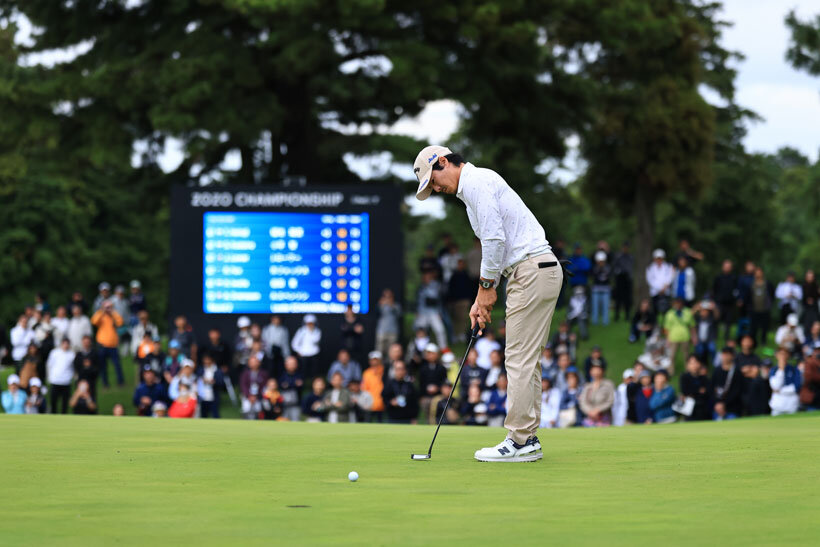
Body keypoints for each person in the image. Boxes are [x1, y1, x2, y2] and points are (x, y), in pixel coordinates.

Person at [415, 145, 565, 461]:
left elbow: (495, 240)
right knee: (527, 359)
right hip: (536, 270)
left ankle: (520, 441)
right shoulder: (474, 188)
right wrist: (482, 297)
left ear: (443, 162)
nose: (436, 189)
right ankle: (528, 438)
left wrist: (485, 289)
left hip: (530, 270)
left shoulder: (477, 182)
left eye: (434, 181)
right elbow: (495, 245)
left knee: (518, 358)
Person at [90, 300, 124, 387]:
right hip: (102, 345)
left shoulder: (114, 315)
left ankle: (120, 382)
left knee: (117, 365)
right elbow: (93, 321)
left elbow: (120, 322)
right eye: (106, 307)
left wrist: (112, 312)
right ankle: (105, 383)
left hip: (113, 345)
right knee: (103, 366)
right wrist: (102, 311)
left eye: (109, 307)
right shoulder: (100, 315)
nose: (108, 309)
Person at [415, 268, 448, 349]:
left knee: (440, 330)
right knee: (420, 330)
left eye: (428, 276)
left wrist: (439, 313)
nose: (426, 278)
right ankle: (420, 349)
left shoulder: (436, 285)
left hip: (434, 312)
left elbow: (436, 299)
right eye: (425, 276)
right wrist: (417, 311)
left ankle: (444, 348)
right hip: (422, 313)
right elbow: (419, 301)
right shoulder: (421, 287)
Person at [662, 297, 695, 375]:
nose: (678, 305)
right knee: (672, 356)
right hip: (673, 338)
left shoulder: (688, 312)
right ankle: (670, 372)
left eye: (679, 303)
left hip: (685, 337)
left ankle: (688, 371)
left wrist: (694, 336)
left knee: (686, 356)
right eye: (676, 303)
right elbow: (666, 328)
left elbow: (692, 326)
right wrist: (667, 339)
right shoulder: (669, 313)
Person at [382, 360, 419, 424]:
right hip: (392, 418)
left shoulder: (409, 385)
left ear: (405, 371)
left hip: (407, 418)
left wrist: (414, 417)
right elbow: (384, 398)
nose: (400, 372)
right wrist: (391, 402)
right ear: (394, 370)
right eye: (398, 369)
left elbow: (415, 403)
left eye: (402, 369)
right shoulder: (389, 384)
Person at [579, 362, 615, 427]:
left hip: (604, 418)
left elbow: (610, 401)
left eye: (598, 369)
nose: (596, 371)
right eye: (593, 369)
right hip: (590, 418)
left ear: (603, 371)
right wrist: (590, 411)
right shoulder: (587, 386)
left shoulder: (608, 384)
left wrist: (598, 410)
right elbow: (583, 402)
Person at [711, 347, 743, 419]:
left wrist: (724, 404)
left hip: (733, 408)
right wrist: (717, 403)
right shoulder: (716, 371)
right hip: (717, 407)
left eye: (727, 354)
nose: (725, 357)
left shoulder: (737, 371)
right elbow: (711, 388)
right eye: (723, 354)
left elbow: (737, 390)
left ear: (732, 356)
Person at [418, 344, 447, 421]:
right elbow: (421, 384)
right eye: (428, 353)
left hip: (439, 396)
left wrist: (437, 388)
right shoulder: (423, 368)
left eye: (432, 353)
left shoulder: (442, 368)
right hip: (426, 396)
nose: (430, 355)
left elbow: (444, 382)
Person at [768, 347, 801, 416]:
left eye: (785, 354)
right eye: (780, 354)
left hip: (791, 405)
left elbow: (796, 387)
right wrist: (781, 370)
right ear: (776, 355)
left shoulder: (794, 369)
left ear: (788, 355)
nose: (782, 356)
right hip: (777, 405)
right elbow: (775, 386)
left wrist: (780, 391)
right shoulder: (773, 370)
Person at [46, 338, 75, 414]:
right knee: (53, 401)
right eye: (64, 344)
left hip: (66, 382)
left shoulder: (71, 354)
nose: (65, 345)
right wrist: (49, 377)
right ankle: (53, 415)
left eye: (67, 344)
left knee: (65, 403)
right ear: (61, 344)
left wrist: (71, 377)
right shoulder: (54, 353)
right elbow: (49, 365)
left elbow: (73, 368)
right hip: (55, 380)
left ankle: (64, 416)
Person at [679, 355, 711, 421]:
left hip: (703, 410)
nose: (694, 365)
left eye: (695, 362)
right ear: (687, 365)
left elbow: (707, 392)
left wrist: (693, 392)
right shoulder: (684, 377)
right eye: (691, 363)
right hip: (690, 410)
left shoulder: (704, 378)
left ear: (699, 364)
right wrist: (698, 390)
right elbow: (685, 391)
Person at [712, 260, 738, 341]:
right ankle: (714, 337)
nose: (727, 268)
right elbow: (714, 289)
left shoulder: (734, 278)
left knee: (728, 322)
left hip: (730, 304)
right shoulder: (718, 278)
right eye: (725, 266)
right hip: (719, 302)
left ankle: (726, 337)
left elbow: (736, 290)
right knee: (716, 320)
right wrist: (714, 300)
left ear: (731, 268)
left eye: (728, 267)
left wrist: (735, 299)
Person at [749, 267, 774, 347]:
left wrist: (769, 304)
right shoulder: (751, 284)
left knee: (764, 327)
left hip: (765, 309)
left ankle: (763, 342)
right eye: (757, 272)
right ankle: (753, 342)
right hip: (754, 309)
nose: (758, 274)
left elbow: (772, 294)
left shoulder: (767, 283)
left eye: (759, 272)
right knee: (753, 327)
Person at [291, 314, 322, 379]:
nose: (310, 325)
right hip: (304, 355)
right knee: (303, 372)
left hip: (314, 354)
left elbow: (316, 341)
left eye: (311, 323)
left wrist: (311, 332)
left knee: (314, 372)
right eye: (308, 323)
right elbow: (294, 343)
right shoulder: (301, 331)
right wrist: (298, 351)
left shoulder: (317, 331)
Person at [646, 249, 674, 315]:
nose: (659, 260)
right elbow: (650, 280)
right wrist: (659, 289)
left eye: (660, 258)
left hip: (666, 292)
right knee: (655, 310)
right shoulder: (650, 268)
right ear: (654, 259)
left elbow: (670, 277)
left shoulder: (668, 267)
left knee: (666, 310)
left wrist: (665, 287)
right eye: (657, 258)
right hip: (655, 292)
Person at [375, 289, 401, 357]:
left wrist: (391, 304)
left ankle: (390, 363)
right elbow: (375, 314)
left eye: (389, 296)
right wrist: (380, 305)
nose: (387, 298)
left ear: (392, 297)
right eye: (385, 296)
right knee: (379, 351)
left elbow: (399, 314)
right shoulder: (381, 304)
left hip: (393, 332)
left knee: (392, 352)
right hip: (381, 331)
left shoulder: (396, 305)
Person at [361, 351, 386, 422]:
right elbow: (364, 390)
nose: (375, 362)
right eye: (373, 360)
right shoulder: (366, 373)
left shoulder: (385, 372)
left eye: (377, 360)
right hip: (370, 405)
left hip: (383, 405)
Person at [612, 241, 634, 321]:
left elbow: (630, 268)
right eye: (624, 247)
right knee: (618, 298)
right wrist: (619, 272)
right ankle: (617, 315)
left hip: (627, 279)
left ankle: (627, 315)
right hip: (620, 279)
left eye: (627, 247)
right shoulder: (618, 256)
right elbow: (614, 267)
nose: (625, 249)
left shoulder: (630, 257)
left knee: (627, 299)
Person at [693, 300, 719, 365]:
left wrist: (714, 308)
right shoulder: (698, 319)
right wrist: (696, 307)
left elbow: (717, 316)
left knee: (712, 350)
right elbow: (690, 315)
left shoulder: (711, 319)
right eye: (702, 311)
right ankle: (700, 365)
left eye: (705, 311)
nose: (703, 312)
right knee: (699, 352)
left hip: (710, 340)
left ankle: (715, 365)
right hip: (699, 340)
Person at [197, 353, 222, 418]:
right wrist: (202, 380)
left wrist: (213, 382)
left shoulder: (217, 370)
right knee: (203, 415)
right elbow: (197, 380)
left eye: (208, 359)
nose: (206, 361)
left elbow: (220, 382)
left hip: (213, 397)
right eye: (205, 360)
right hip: (203, 397)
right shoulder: (201, 369)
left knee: (215, 415)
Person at [279, 356, 304, 421]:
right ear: (286, 365)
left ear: (296, 365)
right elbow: (281, 386)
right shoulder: (282, 375)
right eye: (289, 364)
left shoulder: (300, 375)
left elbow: (300, 386)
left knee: (295, 422)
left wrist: (288, 385)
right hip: (284, 405)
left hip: (296, 405)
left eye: (293, 364)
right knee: (284, 422)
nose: (291, 365)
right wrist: (294, 384)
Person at [590, 251, 612, 326]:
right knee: (595, 306)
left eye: (602, 261)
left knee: (605, 307)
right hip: (596, 290)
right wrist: (599, 269)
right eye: (599, 261)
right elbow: (593, 276)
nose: (601, 263)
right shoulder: (594, 268)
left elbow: (609, 276)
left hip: (606, 290)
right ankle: (595, 321)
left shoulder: (608, 268)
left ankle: (605, 321)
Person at [799, 342, 820, 410]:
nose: (818, 352)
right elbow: (808, 378)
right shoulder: (809, 362)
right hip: (813, 395)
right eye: (816, 350)